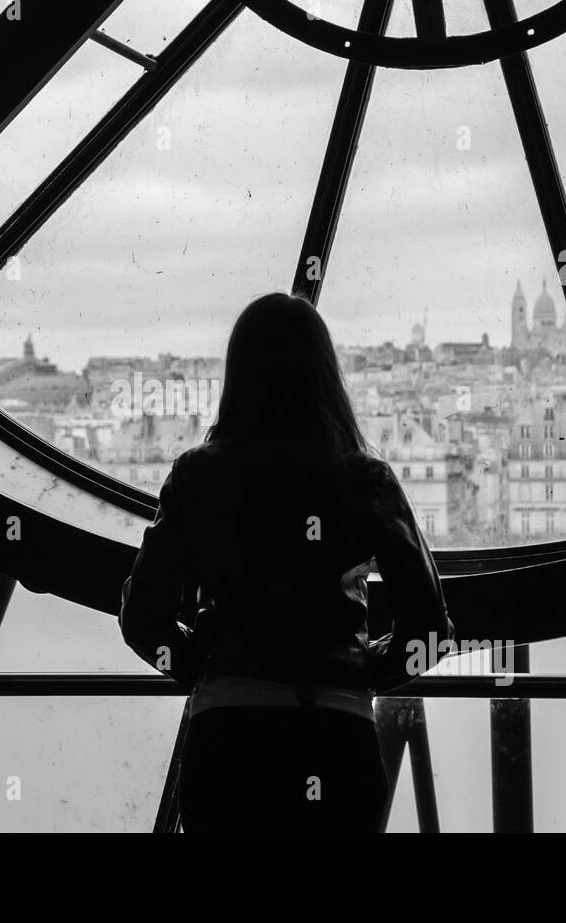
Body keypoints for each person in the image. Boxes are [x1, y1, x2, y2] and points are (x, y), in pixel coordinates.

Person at [120, 293, 455, 833]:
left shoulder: (199, 474)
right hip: (336, 731)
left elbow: (142, 618)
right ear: (325, 374)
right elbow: (431, 631)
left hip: (229, 733)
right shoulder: (366, 479)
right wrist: (358, 670)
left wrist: (204, 669)